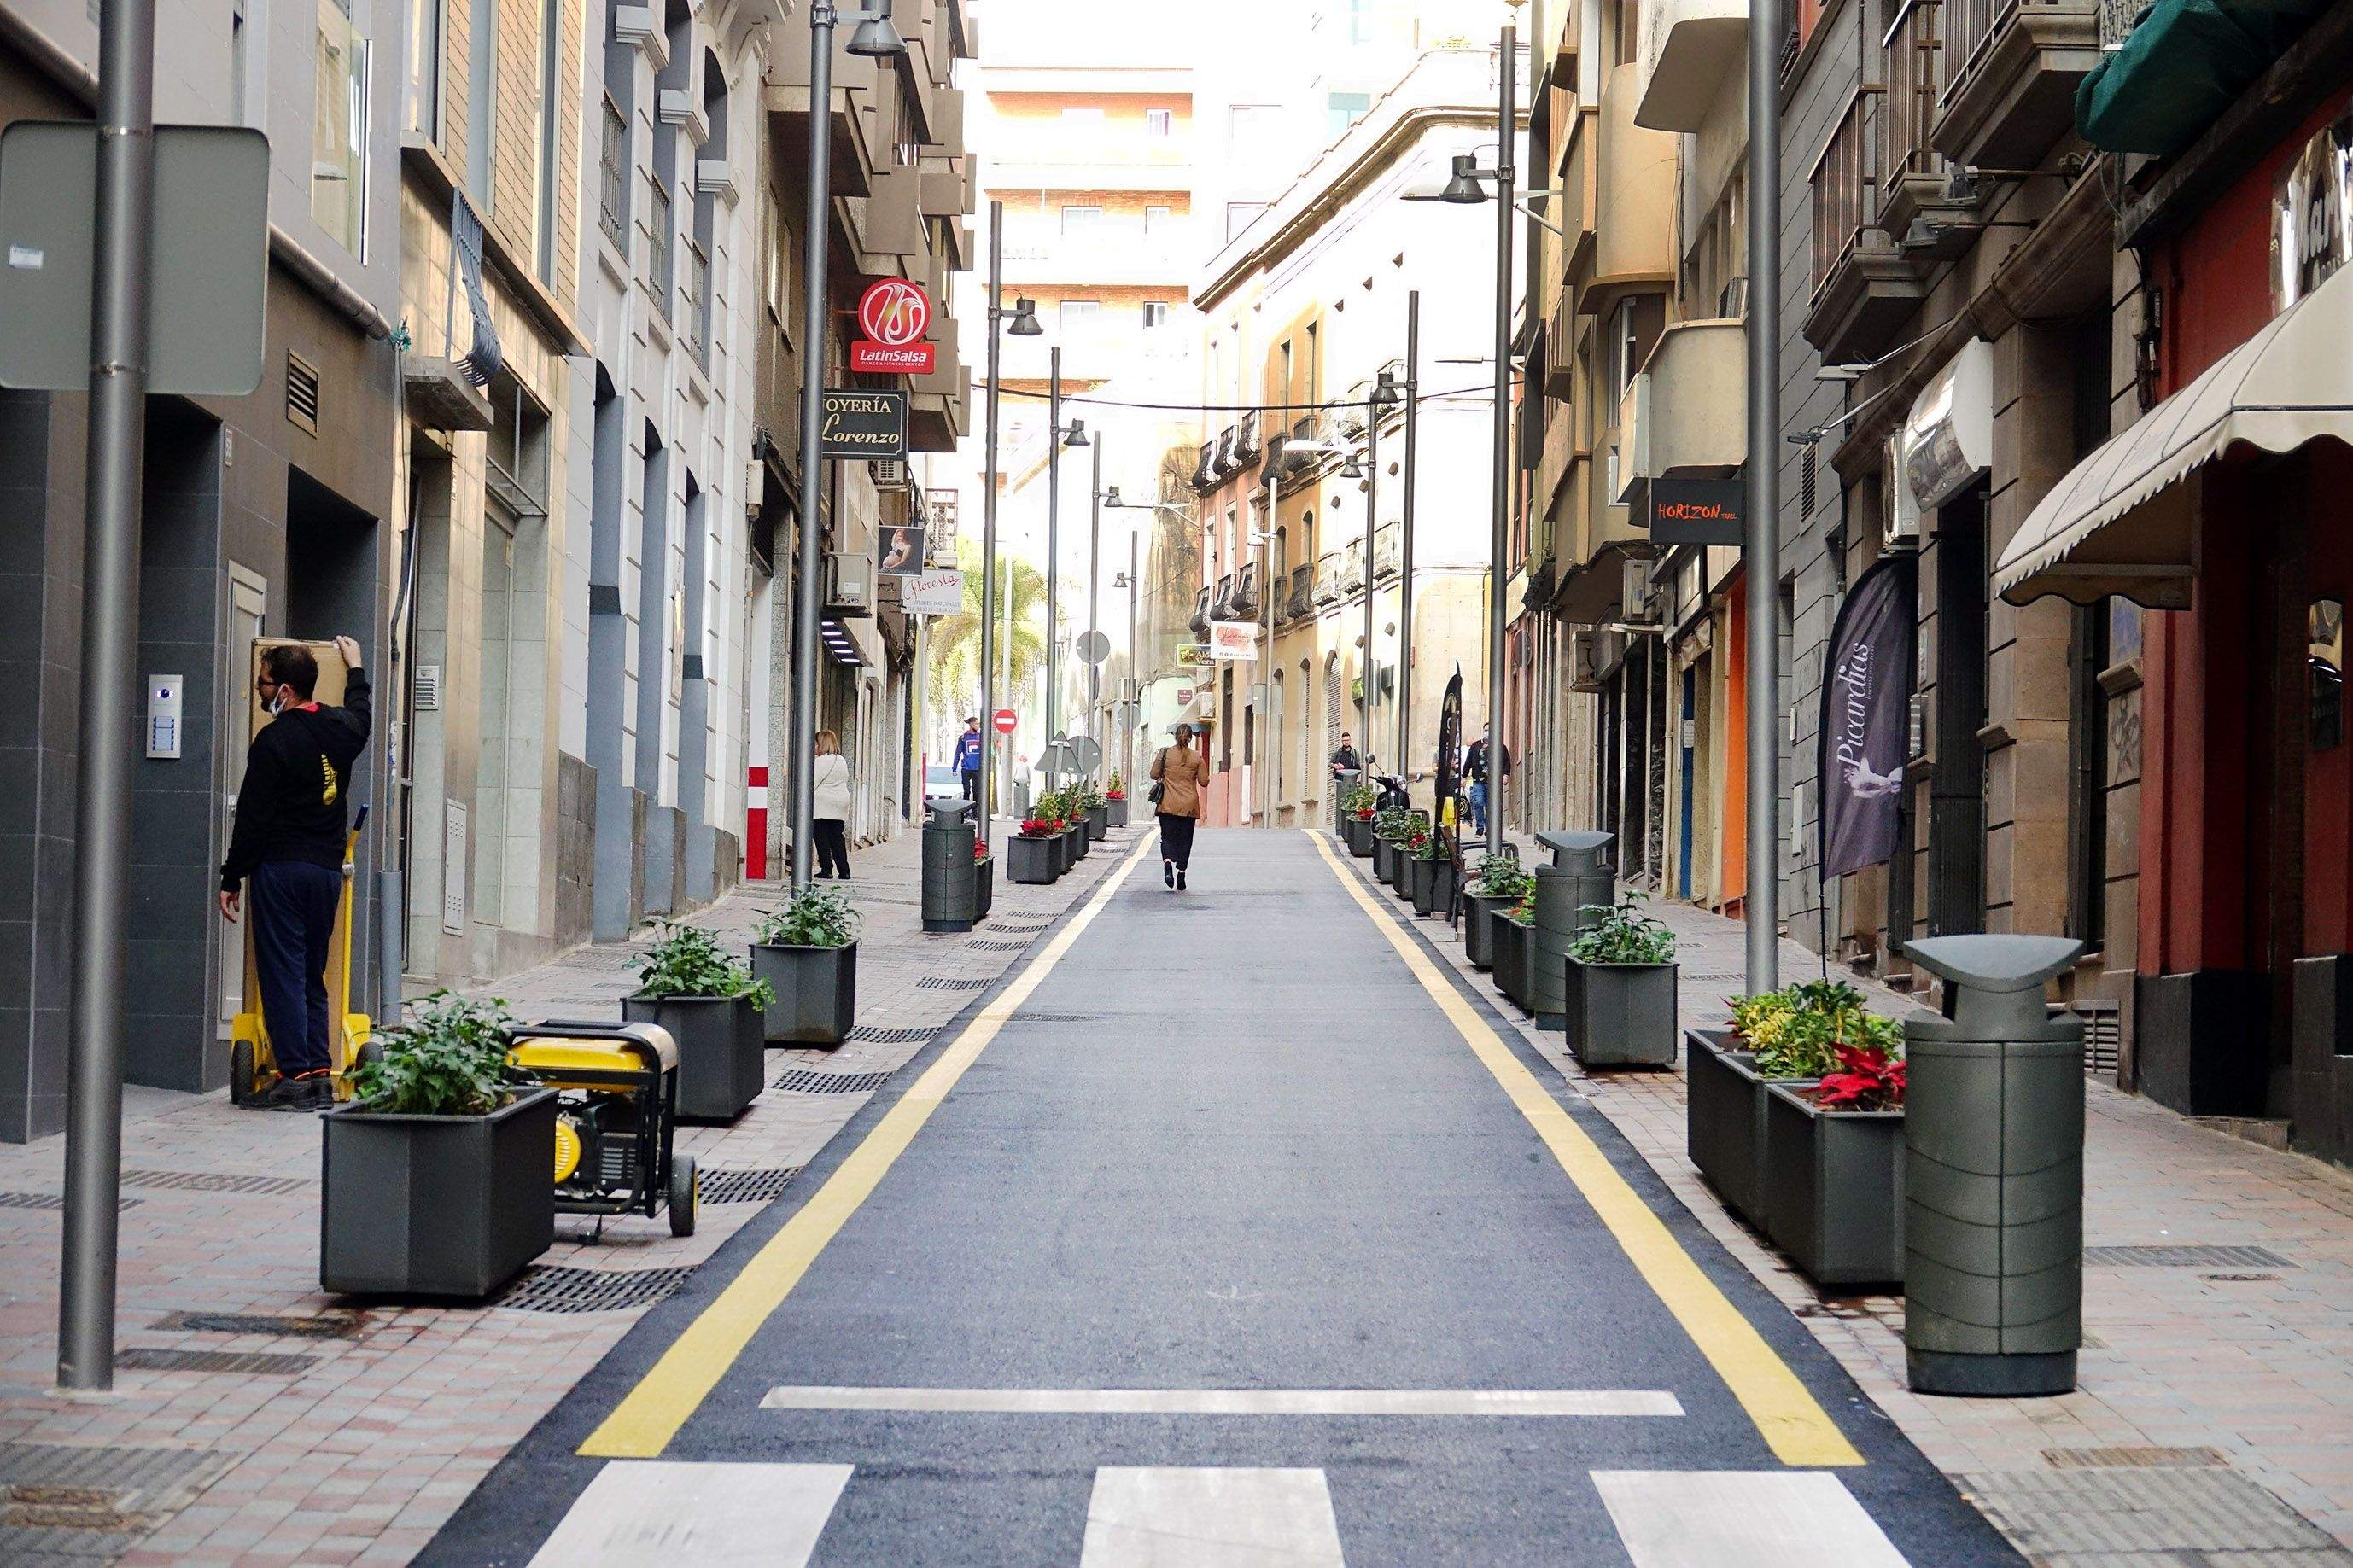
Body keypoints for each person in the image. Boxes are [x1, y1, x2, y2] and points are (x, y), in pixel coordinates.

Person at [218, 637, 373, 1112]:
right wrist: (356, 669)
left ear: (284, 689)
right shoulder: (341, 729)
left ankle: (294, 1076)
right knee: (310, 971)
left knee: (282, 971)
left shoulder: (273, 741)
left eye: (263, 683)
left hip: (281, 870)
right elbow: (363, 715)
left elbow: (253, 817)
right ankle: (320, 1074)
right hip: (325, 872)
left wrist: (231, 877)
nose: (260, 691)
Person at [1148, 721, 1210, 891]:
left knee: (1167, 837)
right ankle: (1181, 873)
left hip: (1168, 804)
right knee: (1185, 841)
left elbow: (1154, 774)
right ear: (1190, 739)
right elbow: (1204, 782)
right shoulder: (1197, 757)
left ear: (1175, 737)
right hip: (1189, 807)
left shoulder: (1166, 753)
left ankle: (1168, 864)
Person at [812, 729, 853, 880]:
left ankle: (826, 869)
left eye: (816, 743)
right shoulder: (841, 760)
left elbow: (812, 782)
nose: (814, 746)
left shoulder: (820, 762)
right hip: (840, 804)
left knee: (821, 837)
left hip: (822, 804)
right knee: (837, 838)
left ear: (821, 744)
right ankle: (844, 871)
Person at [1464, 726, 1510, 837]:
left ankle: (1489, 829)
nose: (1487, 732)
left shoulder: (1500, 746)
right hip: (1478, 781)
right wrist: (1463, 776)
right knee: (1478, 802)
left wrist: (1506, 774)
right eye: (1486, 730)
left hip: (1493, 781)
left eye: (1490, 730)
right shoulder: (1476, 746)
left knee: (1491, 805)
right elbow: (1469, 761)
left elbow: (1506, 761)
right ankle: (1480, 827)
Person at [953, 715, 984, 803]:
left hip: (977, 769)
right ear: (972, 724)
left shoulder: (981, 737)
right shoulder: (963, 738)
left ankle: (974, 812)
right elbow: (958, 753)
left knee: (976, 792)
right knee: (966, 790)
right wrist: (954, 768)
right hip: (966, 768)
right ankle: (966, 809)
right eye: (977, 724)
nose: (979, 725)